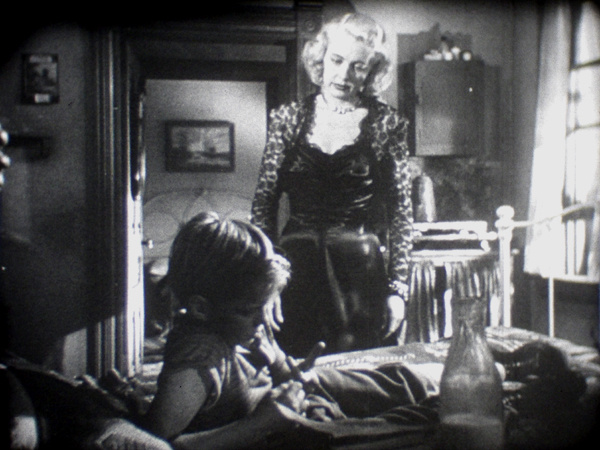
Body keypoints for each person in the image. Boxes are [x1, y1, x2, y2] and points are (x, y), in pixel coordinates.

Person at [134, 212, 434, 450]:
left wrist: (284, 368)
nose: (261, 320)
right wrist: (262, 423)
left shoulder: (239, 327)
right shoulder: (199, 355)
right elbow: (157, 444)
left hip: (299, 412)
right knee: (421, 422)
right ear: (201, 308)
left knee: (403, 378)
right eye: (249, 310)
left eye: (264, 307)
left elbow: (273, 376)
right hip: (286, 435)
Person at [251, 12, 414, 355]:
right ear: (320, 59)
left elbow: (401, 212)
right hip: (293, 273)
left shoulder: (388, 124)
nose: (343, 75)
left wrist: (399, 289)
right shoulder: (287, 119)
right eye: (337, 60)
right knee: (295, 371)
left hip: (360, 277)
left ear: (371, 72)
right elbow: (263, 204)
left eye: (358, 66)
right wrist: (266, 278)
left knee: (358, 373)